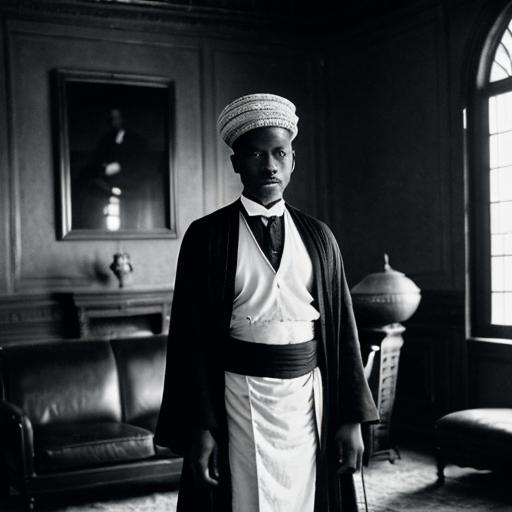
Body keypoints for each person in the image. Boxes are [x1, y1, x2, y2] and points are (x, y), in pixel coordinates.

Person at [155, 93, 379, 512]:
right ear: (236, 163)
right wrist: (201, 428)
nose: (269, 165)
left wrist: (351, 419)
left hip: (308, 403)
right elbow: (192, 342)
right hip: (237, 400)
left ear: (293, 160)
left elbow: (344, 334)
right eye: (256, 154)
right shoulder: (206, 237)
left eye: (279, 153)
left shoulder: (320, 237)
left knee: (309, 498)